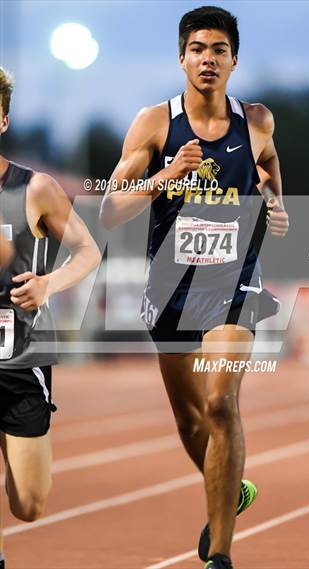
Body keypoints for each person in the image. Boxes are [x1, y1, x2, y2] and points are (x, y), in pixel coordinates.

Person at [101, 6, 289, 568]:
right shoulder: (155, 123)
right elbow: (111, 210)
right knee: (190, 421)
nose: (208, 59)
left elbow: (272, 164)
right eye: (198, 49)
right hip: (172, 287)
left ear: (234, 60)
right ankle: (229, 494)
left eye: (219, 50)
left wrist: (276, 201)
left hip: (235, 283)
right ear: (181, 57)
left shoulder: (256, 120)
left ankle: (220, 555)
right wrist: (166, 177)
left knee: (220, 404)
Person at [0, 67, 101, 569]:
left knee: (29, 505)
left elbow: (87, 250)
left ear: (3, 121)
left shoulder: (34, 189)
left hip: (20, 361)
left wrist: (47, 284)